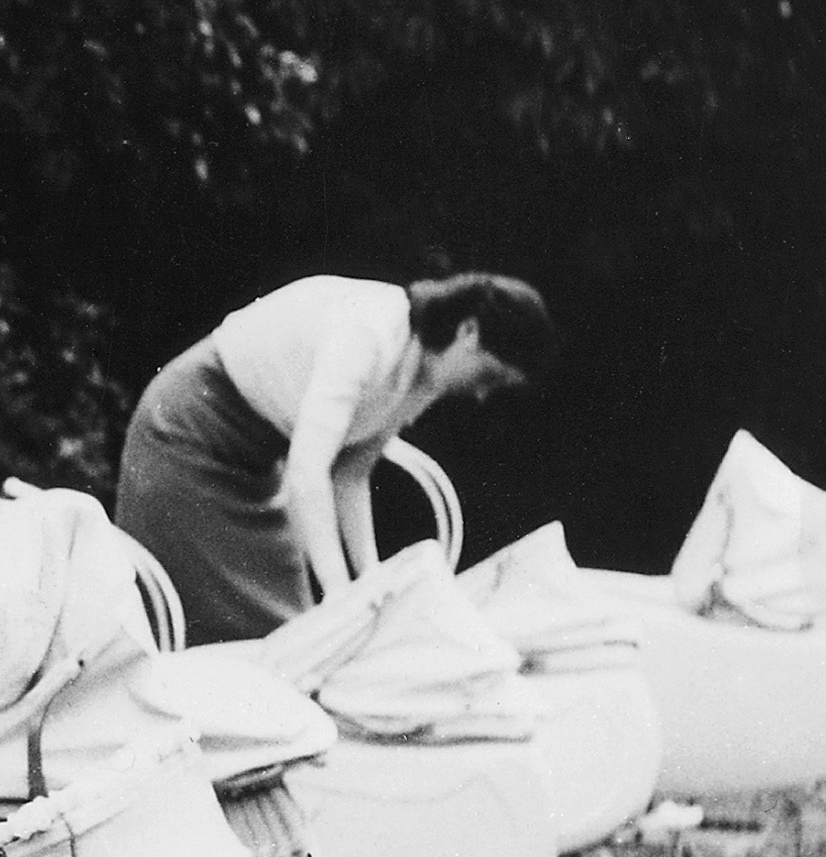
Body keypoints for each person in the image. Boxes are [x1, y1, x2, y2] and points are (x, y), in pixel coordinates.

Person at [116, 272, 556, 645]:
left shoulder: (423, 375)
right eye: (489, 375)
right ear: (468, 332)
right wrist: (343, 598)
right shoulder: (371, 332)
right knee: (263, 633)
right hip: (187, 435)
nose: (481, 394)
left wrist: (371, 584)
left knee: (296, 631)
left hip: (255, 461)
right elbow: (309, 472)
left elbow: (351, 475)